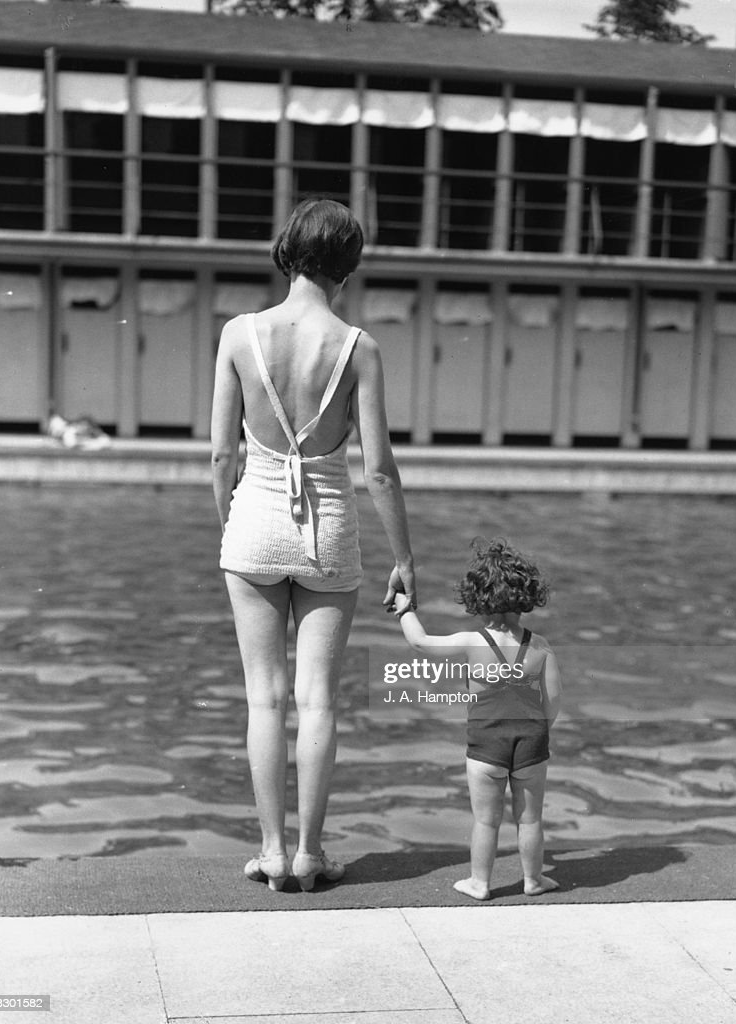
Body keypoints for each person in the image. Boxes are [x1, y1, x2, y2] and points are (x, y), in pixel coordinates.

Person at [211, 198, 416, 892]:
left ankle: (269, 852)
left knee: (263, 700)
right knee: (318, 700)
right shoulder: (359, 347)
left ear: (286, 251)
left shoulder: (240, 335)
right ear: (347, 269)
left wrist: (232, 528)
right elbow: (379, 468)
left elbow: (219, 457)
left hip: (256, 525)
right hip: (329, 532)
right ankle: (309, 852)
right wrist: (405, 559)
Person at [392, 539, 561, 900]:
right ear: (528, 595)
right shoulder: (541, 646)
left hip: (486, 744)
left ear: (477, 598)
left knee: (486, 819)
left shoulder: (473, 642)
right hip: (531, 741)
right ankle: (533, 880)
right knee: (530, 818)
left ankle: (480, 883)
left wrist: (405, 608)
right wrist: (537, 733)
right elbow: (553, 703)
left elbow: (420, 643)